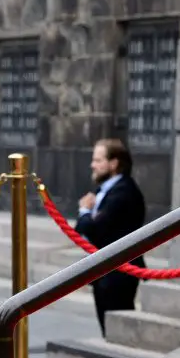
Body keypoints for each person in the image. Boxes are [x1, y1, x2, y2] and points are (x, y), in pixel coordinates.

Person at [77, 138, 146, 332]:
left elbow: (92, 228)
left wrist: (84, 211)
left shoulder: (123, 192)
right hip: (104, 268)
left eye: (98, 160)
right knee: (107, 327)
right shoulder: (105, 190)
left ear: (114, 164)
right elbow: (83, 228)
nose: (93, 165)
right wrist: (86, 217)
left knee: (117, 329)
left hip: (118, 272)